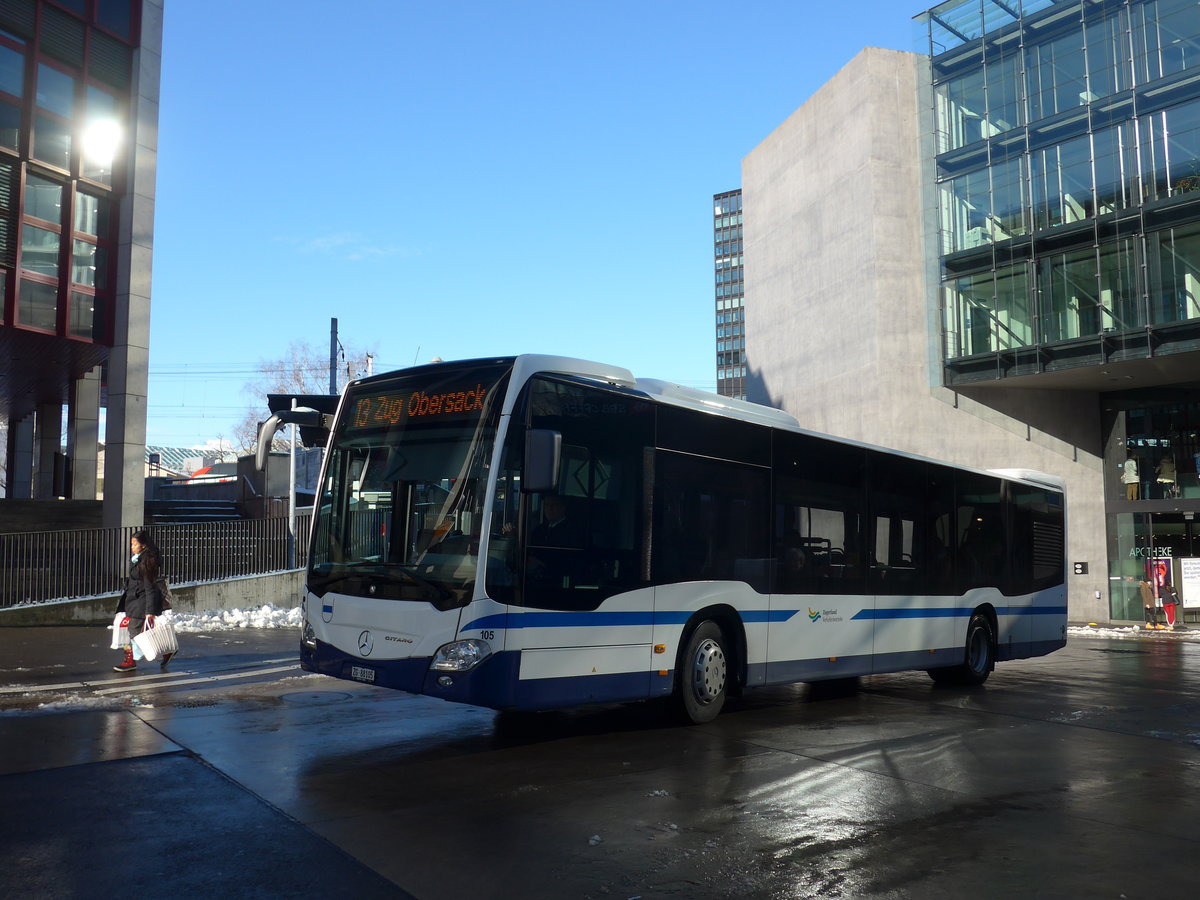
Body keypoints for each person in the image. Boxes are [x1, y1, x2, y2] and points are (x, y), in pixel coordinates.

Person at [113, 529, 172, 672]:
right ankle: (165, 651)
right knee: (137, 631)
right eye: (131, 544)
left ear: (143, 545)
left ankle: (131, 660)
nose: (131, 547)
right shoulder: (139, 559)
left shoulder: (147, 562)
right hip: (134, 600)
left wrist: (149, 612)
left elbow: (150, 587)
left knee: (134, 631)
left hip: (141, 601)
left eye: (134, 544)